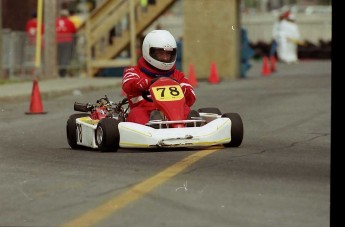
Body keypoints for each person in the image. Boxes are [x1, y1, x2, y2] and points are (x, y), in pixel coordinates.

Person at [122, 30, 196, 125]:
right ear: (148, 51)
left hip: (175, 114)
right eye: (161, 53)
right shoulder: (133, 72)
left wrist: (182, 88)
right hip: (146, 112)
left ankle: (191, 125)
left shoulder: (177, 75)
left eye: (168, 54)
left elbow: (191, 99)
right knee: (136, 113)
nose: (165, 58)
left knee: (187, 110)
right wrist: (148, 83)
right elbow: (127, 85)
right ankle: (154, 126)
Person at [56, 9, 77, 77]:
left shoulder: (56, 21)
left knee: (59, 55)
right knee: (66, 56)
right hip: (67, 40)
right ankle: (63, 70)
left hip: (57, 40)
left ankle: (59, 69)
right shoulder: (69, 22)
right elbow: (74, 30)